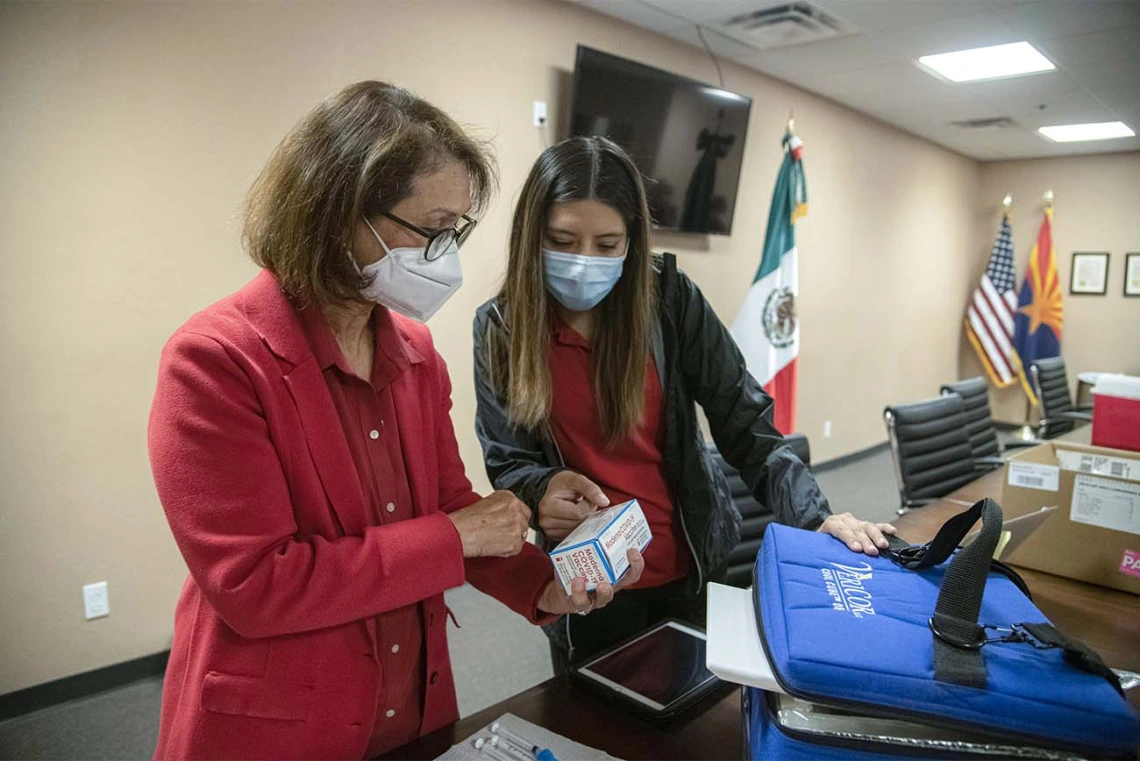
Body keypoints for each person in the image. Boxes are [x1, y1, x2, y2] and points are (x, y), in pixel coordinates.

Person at [147, 83, 643, 761]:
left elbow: (447, 506)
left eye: (457, 230)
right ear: (339, 209)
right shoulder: (214, 361)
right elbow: (257, 584)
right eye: (432, 228)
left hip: (411, 704)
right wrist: (452, 535)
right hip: (280, 722)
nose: (447, 255)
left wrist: (545, 584)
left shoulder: (415, 353)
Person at [473, 136, 895, 672]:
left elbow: (746, 423)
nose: (583, 264)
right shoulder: (500, 328)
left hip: (691, 564)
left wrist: (815, 518)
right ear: (531, 235)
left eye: (607, 245)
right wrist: (540, 492)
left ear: (633, 241)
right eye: (562, 240)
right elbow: (508, 460)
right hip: (587, 582)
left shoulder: (670, 300)